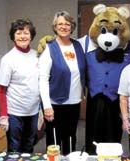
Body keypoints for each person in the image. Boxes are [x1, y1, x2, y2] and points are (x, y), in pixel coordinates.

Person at [38, 11, 86, 155]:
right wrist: (46, 106)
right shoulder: (49, 47)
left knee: (71, 137)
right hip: (55, 104)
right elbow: (43, 79)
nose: (64, 27)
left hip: (74, 102)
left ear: (72, 26)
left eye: (67, 24)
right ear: (55, 27)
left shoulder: (78, 46)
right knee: (54, 140)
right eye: (60, 24)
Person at [0, 18, 40, 153]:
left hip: (33, 111)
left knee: (29, 145)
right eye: (18, 33)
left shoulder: (37, 55)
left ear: (31, 35)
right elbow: (0, 90)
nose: (22, 36)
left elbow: (41, 83)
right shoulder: (8, 59)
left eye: (26, 33)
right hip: (15, 112)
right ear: (13, 36)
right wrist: (3, 116)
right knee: (15, 147)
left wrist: (42, 110)